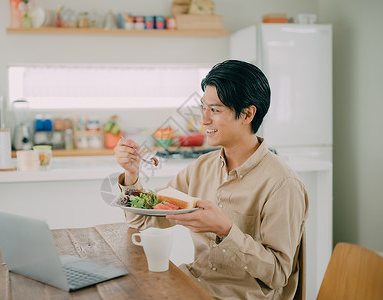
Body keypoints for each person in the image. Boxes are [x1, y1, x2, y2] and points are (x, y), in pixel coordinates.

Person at [114, 60, 308, 300]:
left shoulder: (282, 184)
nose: (204, 120)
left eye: (214, 110)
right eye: (203, 108)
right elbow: (142, 223)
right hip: (194, 285)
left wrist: (226, 231)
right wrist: (132, 175)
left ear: (247, 114)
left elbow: (279, 274)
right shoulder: (201, 168)